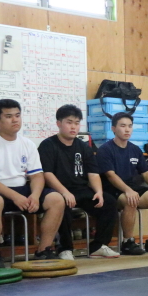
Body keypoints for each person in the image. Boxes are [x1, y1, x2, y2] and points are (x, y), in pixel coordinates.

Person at [38, 105, 120, 260]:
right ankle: (65, 248)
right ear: (58, 123)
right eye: (69, 122)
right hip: (58, 191)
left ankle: (98, 246)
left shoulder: (83, 147)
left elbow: (93, 173)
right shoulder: (48, 145)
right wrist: (64, 192)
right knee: (62, 204)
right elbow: (47, 174)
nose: (73, 127)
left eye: (76, 123)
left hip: (81, 189)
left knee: (109, 202)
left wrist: (99, 191)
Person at [0, 99, 65, 268]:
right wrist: (15, 197)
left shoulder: (27, 144)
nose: (15, 120)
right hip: (0, 191)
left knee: (56, 199)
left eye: (17, 115)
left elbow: (37, 176)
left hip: (22, 189)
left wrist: (34, 195)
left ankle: (43, 250)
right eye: (9, 116)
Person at [96, 112, 148, 255]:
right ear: (113, 129)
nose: (127, 129)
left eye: (130, 126)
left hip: (132, 187)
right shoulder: (105, 150)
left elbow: (145, 172)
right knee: (131, 200)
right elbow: (110, 175)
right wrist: (127, 191)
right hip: (113, 190)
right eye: (123, 126)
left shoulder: (135, 149)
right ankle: (128, 242)